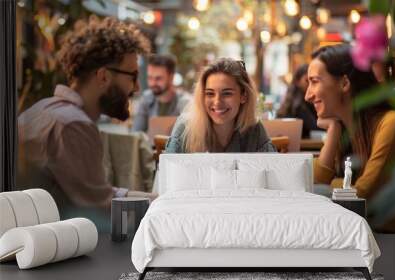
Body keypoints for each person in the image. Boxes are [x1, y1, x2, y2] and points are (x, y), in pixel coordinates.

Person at [17, 17, 153, 228]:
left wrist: (153, 199)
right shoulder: (73, 125)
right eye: (133, 76)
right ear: (103, 76)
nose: (136, 88)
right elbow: (103, 210)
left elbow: (98, 193)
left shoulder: (45, 109)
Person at [305, 44, 395, 231]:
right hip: (358, 232)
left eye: (315, 81)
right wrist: (333, 131)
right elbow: (316, 180)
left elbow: (362, 194)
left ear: (344, 84)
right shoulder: (345, 130)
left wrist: (331, 186)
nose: (308, 95)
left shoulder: (392, 123)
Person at [165, 58, 276, 153]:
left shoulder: (254, 129)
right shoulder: (185, 128)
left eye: (227, 93)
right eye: (210, 93)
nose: (217, 102)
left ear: (244, 95)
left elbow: (272, 173)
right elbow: (167, 176)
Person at [132, 54, 191, 132]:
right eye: (150, 78)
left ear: (171, 77)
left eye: (158, 78)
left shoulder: (185, 102)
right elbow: (137, 132)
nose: (152, 83)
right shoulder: (146, 99)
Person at [277, 64, 319, 138]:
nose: (310, 85)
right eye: (307, 80)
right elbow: (314, 125)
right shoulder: (297, 104)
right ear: (297, 81)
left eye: (313, 81)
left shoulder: (293, 99)